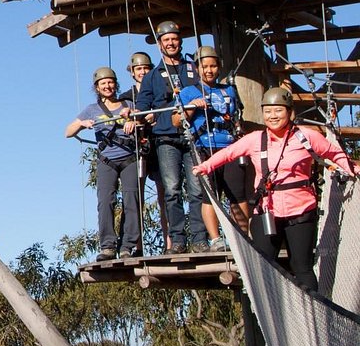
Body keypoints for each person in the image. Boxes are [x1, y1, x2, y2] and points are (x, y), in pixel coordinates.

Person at [194, 87, 353, 292]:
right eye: (268, 111)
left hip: (301, 209)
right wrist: (205, 167)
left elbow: (334, 153)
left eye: (278, 110)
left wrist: (351, 168)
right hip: (267, 210)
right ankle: (273, 313)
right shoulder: (256, 139)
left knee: (301, 266)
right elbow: (228, 153)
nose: (273, 116)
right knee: (265, 266)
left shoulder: (306, 136)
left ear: (289, 112)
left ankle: (314, 312)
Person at [136, 21, 210, 252]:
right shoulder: (152, 77)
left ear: (180, 41)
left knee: (198, 190)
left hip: (194, 136)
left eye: (174, 39)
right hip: (166, 138)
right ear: (160, 44)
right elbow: (143, 106)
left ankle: (200, 239)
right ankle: (177, 240)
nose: (171, 43)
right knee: (172, 190)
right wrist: (143, 116)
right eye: (166, 40)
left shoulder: (193, 69)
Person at [66, 67, 143, 261]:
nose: (107, 86)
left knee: (131, 201)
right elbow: (68, 131)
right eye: (103, 83)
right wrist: (82, 124)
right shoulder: (92, 110)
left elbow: (144, 120)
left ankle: (127, 246)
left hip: (129, 158)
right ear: (97, 87)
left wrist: (133, 120)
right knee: (105, 202)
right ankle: (108, 246)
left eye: (110, 82)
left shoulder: (128, 104)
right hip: (107, 160)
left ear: (115, 84)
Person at [177, 45, 249, 250]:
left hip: (229, 146)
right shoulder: (189, 92)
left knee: (237, 192)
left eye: (213, 66)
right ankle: (216, 238)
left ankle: (243, 235)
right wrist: (192, 106)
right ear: (197, 69)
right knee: (210, 194)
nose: (209, 70)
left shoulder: (229, 90)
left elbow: (236, 116)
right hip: (204, 146)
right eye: (204, 66)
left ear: (219, 67)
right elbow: (177, 121)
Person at [120, 51, 170, 252]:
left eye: (145, 68)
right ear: (132, 72)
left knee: (165, 195)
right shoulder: (125, 98)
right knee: (135, 197)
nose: (142, 72)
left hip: (159, 144)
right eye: (138, 69)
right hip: (137, 148)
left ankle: (170, 243)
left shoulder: (162, 93)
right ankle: (136, 245)